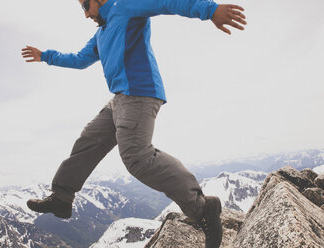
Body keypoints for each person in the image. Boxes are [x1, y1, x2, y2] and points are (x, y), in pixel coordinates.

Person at [22, 0, 246, 247]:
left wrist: (210, 10)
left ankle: (203, 207)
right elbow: (79, 59)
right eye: (82, 8)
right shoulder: (101, 33)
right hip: (119, 98)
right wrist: (45, 56)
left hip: (140, 92)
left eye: (86, 5)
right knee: (89, 140)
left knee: (137, 157)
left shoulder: (126, 7)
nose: (85, 14)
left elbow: (166, 2)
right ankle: (62, 197)